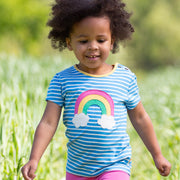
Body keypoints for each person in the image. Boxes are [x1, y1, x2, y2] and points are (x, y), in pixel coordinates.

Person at [21, 0, 171, 179]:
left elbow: (140, 117)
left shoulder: (124, 78)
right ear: (69, 43)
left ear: (112, 41)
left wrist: (158, 155)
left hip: (115, 165)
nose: (93, 46)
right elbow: (48, 122)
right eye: (83, 40)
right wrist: (34, 159)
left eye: (101, 40)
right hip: (77, 169)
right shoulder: (62, 80)